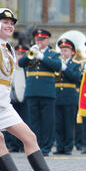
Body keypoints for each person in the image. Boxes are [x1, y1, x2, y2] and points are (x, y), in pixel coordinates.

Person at [0, 8, 72, 171]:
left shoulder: (8, 47)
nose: (9, 26)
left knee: (29, 137)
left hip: (2, 103)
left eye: (11, 23)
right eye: (4, 22)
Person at [18, 28, 61, 156]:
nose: (39, 41)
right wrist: (30, 53)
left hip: (47, 92)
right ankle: (35, 147)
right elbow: (20, 63)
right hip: (32, 92)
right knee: (33, 121)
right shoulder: (31, 52)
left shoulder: (53, 54)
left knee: (47, 121)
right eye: (37, 39)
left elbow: (57, 66)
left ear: (47, 40)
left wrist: (41, 57)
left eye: (42, 39)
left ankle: (46, 147)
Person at [54, 38, 82, 155]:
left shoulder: (76, 64)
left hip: (70, 96)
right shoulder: (56, 62)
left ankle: (68, 147)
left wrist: (65, 68)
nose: (63, 53)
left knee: (68, 123)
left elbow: (76, 78)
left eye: (66, 50)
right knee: (58, 123)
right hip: (57, 95)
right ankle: (60, 147)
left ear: (72, 52)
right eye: (62, 50)